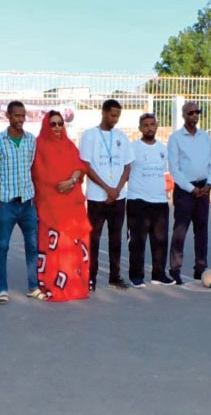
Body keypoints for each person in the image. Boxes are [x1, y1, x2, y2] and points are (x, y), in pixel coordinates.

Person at [31, 110, 91, 300]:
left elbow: (80, 166)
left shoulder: (69, 144)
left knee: (73, 246)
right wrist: (59, 185)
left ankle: (76, 284)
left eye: (60, 123)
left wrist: (71, 181)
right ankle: (53, 284)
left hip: (72, 205)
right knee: (55, 247)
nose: (57, 127)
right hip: (51, 204)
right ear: (46, 125)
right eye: (53, 124)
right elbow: (38, 174)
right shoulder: (39, 145)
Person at [0, 101, 42, 304]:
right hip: (8, 204)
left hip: (27, 203)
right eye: (16, 115)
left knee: (31, 245)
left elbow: (30, 166)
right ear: (8, 116)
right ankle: (2, 289)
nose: (20, 119)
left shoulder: (31, 140)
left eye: (23, 116)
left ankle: (33, 286)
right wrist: (1, 198)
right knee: (2, 246)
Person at [80, 99, 134, 291]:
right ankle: (90, 277)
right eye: (112, 115)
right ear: (103, 113)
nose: (115, 119)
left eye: (118, 116)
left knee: (116, 238)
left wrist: (117, 189)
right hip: (97, 197)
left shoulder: (122, 136)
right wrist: (107, 188)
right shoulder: (90, 135)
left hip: (118, 197)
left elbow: (127, 165)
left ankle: (114, 276)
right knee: (93, 238)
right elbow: (86, 165)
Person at [167, 101, 211, 285]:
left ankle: (200, 268)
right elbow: (174, 169)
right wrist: (191, 188)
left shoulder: (204, 137)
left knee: (201, 230)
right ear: (183, 115)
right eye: (190, 113)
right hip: (185, 191)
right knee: (180, 230)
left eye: (197, 112)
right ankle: (175, 269)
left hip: (203, 188)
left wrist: (209, 183)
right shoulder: (176, 138)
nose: (194, 115)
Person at [127, 112, 174, 287]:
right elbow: (126, 171)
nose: (149, 128)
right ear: (140, 128)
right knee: (137, 242)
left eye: (152, 124)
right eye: (145, 125)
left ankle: (158, 274)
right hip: (138, 200)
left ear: (156, 126)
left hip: (160, 201)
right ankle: (136, 276)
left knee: (160, 240)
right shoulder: (132, 148)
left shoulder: (163, 149)